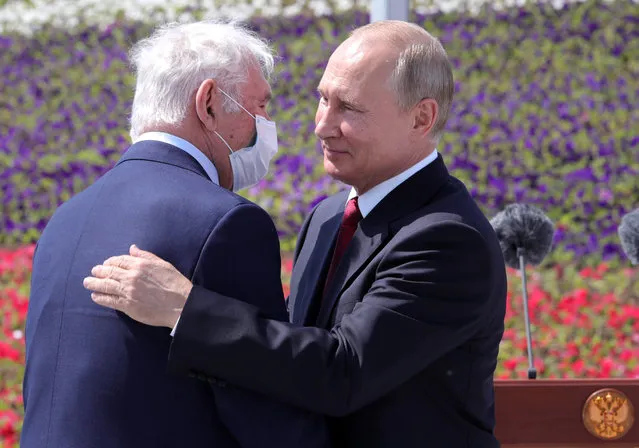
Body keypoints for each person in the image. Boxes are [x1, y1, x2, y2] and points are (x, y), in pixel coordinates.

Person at [84, 20, 508, 447]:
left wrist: (186, 309)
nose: (322, 125)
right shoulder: (327, 218)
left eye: (349, 108)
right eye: (323, 100)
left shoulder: (447, 238)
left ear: (421, 117)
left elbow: (344, 371)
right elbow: (292, 359)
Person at [21, 20, 330, 448]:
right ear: (208, 103)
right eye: (259, 106)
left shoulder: (65, 218)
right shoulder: (227, 222)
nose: (266, 124)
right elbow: (263, 405)